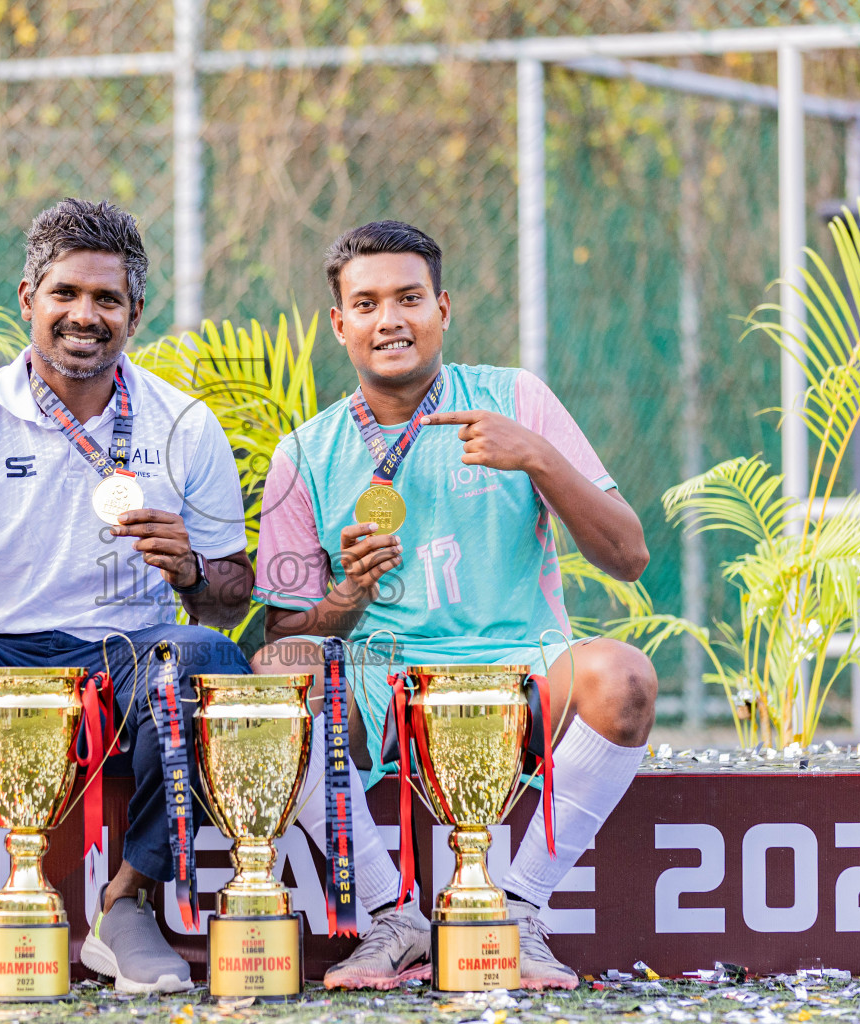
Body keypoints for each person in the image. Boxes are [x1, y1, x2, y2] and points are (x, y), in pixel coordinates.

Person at [0, 198, 256, 994]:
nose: (83, 315)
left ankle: (127, 907)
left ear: (136, 313)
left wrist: (195, 574)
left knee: (207, 656)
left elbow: (228, 602)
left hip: (127, 653)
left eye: (106, 299)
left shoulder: (184, 424)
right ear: (28, 300)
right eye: (65, 294)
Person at [251, 220, 657, 990]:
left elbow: (628, 556)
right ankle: (389, 916)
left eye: (409, 298)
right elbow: (287, 629)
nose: (390, 320)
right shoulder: (305, 452)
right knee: (277, 671)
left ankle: (516, 908)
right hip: (385, 688)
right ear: (340, 324)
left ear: (444, 308)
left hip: (520, 673)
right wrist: (348, 595)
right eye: (365, 304)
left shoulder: (513, 400)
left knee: (625, 677)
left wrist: (537, 458)